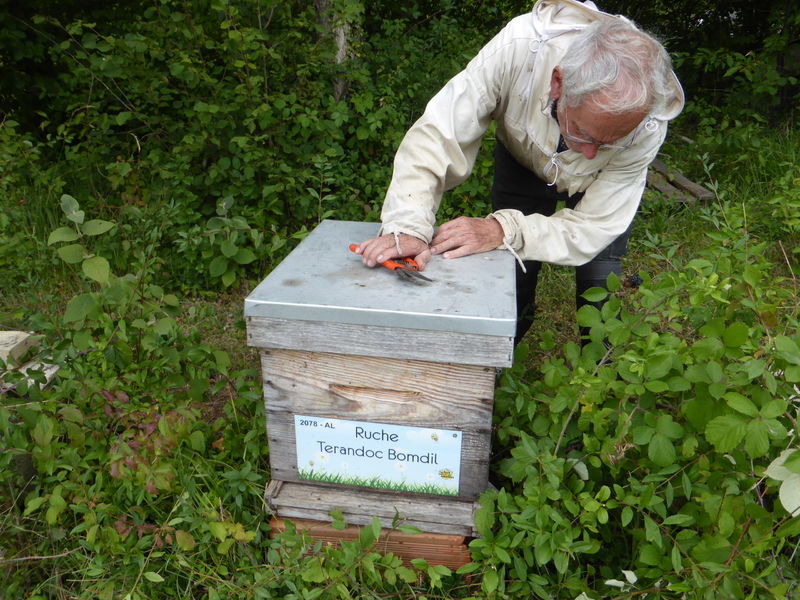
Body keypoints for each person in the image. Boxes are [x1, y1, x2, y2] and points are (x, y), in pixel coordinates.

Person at [353, 0, 684, 344]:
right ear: (558, 83)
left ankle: (600, 362)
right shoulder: (520, 48)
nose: (589, 153)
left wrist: (505, 228)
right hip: (522, 161)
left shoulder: (648, 122)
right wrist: (408, 226)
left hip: (601, 186)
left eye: (610, 142)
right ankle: (506, 350)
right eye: (583, 132)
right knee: (513, 278)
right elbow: (438, 136)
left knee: (601, 285)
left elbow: (596, 225)